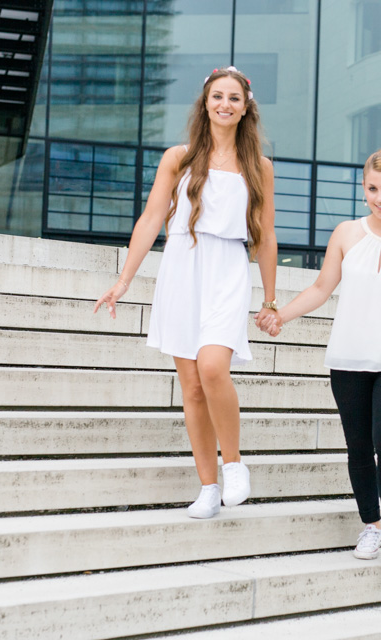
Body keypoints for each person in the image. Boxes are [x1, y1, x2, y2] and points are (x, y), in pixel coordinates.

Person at [95, 66, 278, 519]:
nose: (225, 105)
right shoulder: (177, 158)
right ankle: (208, 486)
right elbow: (151, 218)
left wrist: (270, 299)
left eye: (234, 98)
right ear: (205, 103)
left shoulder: (259, 168)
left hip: (227, 268)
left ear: (246, 107)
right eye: (218, 96)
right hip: (182, 266)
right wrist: (123, 281)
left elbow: (267, 236)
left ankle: (234, 465)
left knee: (214, 367)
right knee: (192, 387)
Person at [257, 145, 381, 571]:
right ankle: (371, 525)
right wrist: (279, 315)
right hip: (350, 358)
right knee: (358, 445)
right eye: (372, 188)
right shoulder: (346, 234)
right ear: (363, 189)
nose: (380, 197)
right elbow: (321, 289)